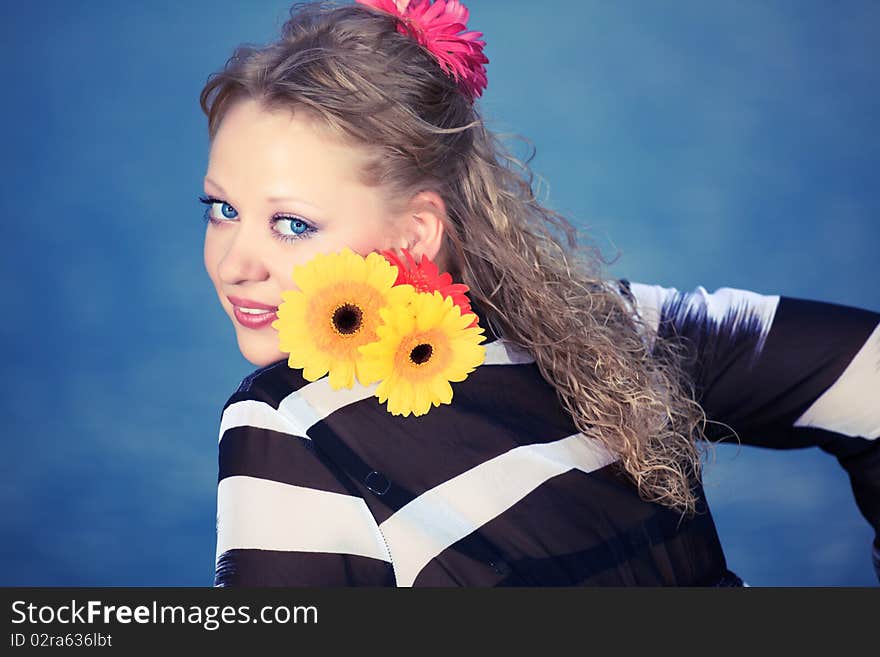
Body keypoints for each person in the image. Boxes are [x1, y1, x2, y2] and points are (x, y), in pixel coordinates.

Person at [198, 0, 880, 586]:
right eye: (221, 208)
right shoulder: (593, 327)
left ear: (414, 237)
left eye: (292, 224)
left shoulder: (288, 422)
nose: (235, 263)